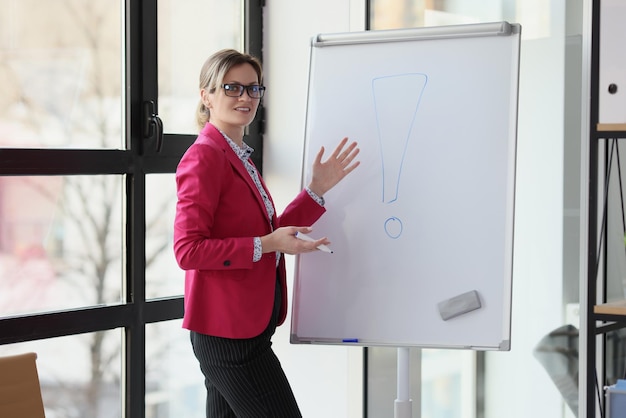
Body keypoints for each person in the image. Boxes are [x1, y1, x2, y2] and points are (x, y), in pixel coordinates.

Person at [173, 48, 360, 418]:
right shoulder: (205, 156)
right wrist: (267, 244)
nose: (245, 97)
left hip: (247, 329)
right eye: (232, 88)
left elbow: (268, 232)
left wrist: (316, 190)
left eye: (253, 89)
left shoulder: (238, 154)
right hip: (229, 337)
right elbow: (188, 250)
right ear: (206, 95)